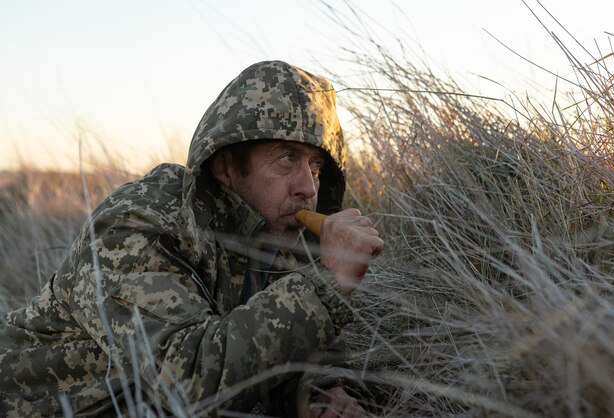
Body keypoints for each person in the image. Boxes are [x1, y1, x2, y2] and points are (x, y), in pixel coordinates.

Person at [0, 60, 384, 417]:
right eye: (286, 158)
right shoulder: (137, 224)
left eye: (316, 167)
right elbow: (186, 385)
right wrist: (326, 285)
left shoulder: (277, 231)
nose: (308, 188)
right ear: (226, 167)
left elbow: (302, 354)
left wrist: (317, 397)